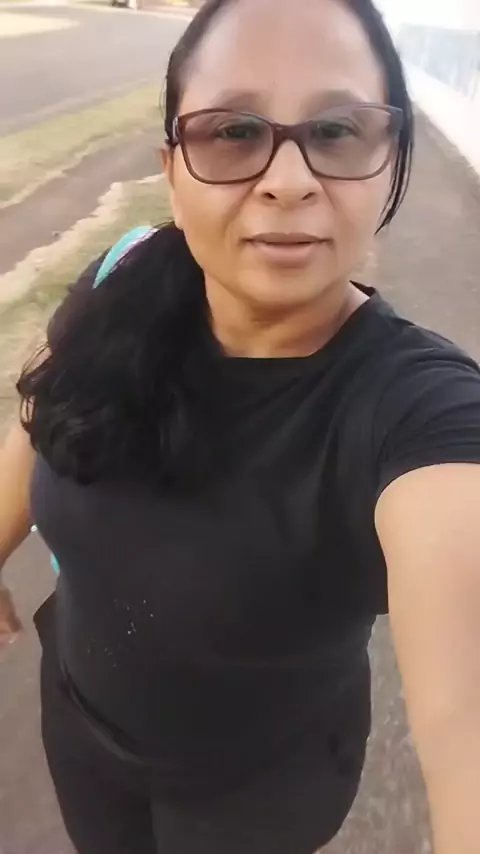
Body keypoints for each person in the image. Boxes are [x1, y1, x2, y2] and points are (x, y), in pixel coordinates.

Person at [1, 0, 480, 851]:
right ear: (173, 169)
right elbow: (43, 416)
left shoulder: (420, 413)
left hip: (260, 799)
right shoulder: (122, 273)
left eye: (336, 130)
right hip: (79, 732)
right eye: (232, 131)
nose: (288, 180)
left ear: (391, 160)